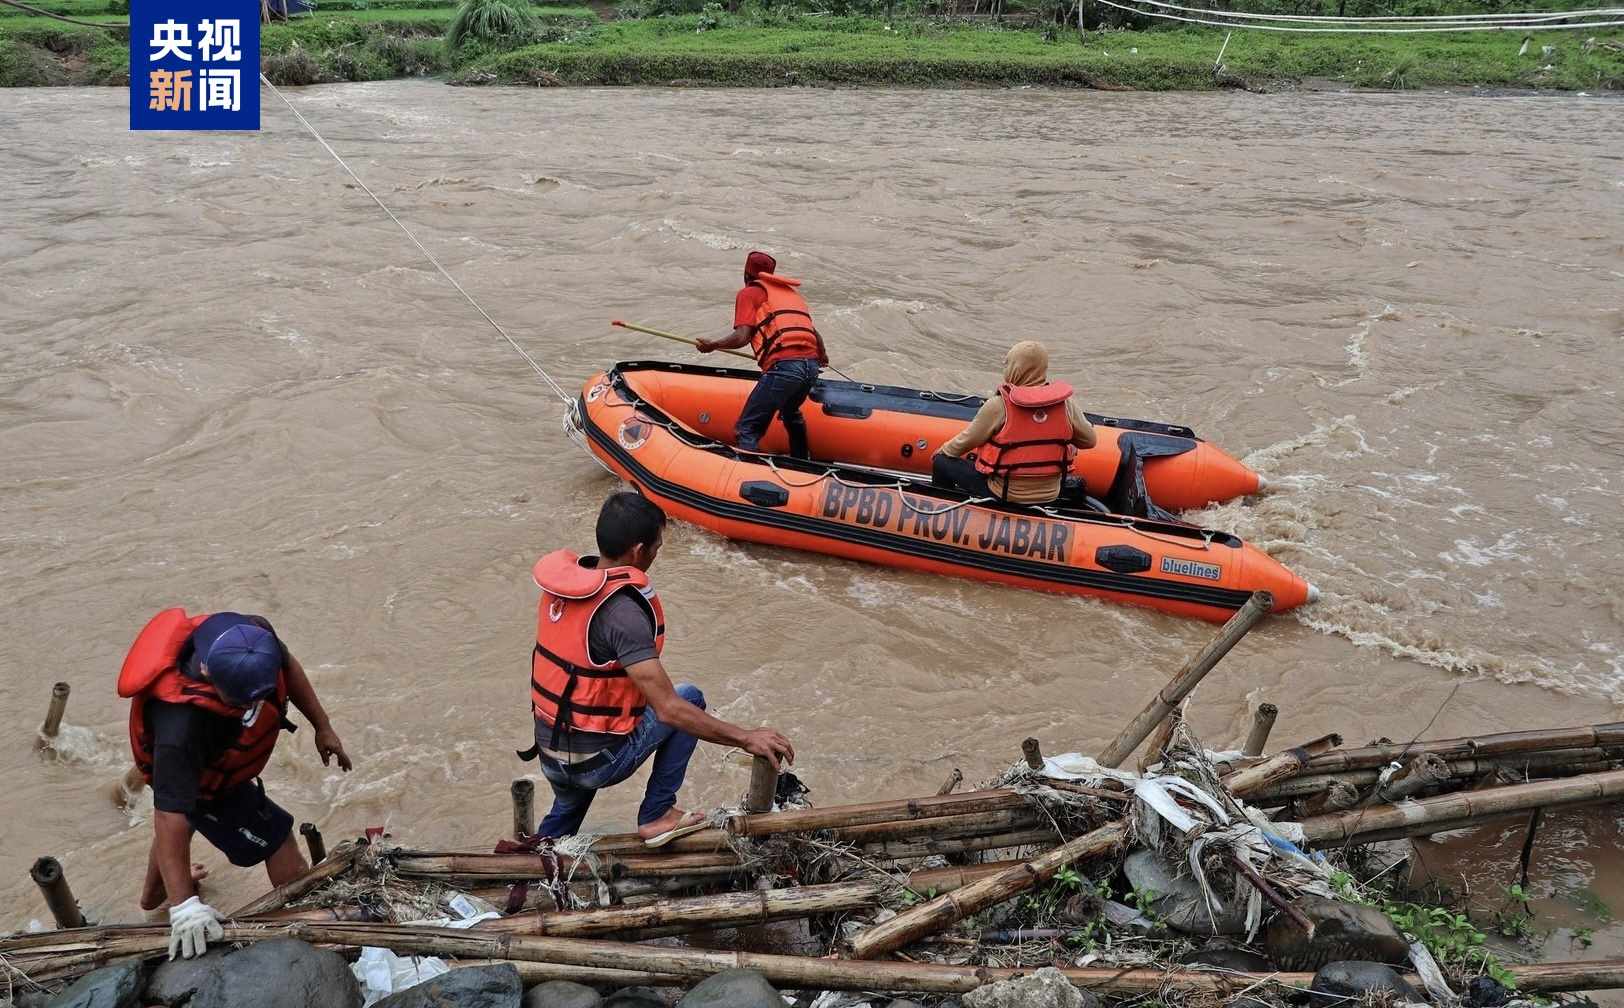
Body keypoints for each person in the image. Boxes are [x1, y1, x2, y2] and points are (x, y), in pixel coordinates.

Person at [524, 491, 795, 847]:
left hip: (551, 754)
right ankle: (657, 813)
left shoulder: (563, 592)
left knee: (575, 780)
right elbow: (669, 709)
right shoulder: (622, 612)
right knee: (689, 697)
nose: (656, 554)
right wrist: (746, 737)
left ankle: (546, 844)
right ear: (639, 551)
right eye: (656, 547)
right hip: (593, 764)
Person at [119, 610, 351, 960]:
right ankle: (307, 916)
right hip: (202, 778)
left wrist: (323, 727)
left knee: (183, 818)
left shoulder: (254, 637)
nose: (252, 706)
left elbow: (289, 667)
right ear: (207, 672)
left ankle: (154, 897)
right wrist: (185, 907)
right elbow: (169, 816)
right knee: (276, 837)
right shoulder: (182, 730)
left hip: (204, 765)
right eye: (242, 702)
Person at [695, 250, 829, 460]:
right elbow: (814, 333)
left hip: (785, 369)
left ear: (746, 273)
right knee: (791, 413)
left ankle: (749, 471)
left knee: (747, 428)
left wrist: (713, 345)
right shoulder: (789, 294)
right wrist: (822, 356)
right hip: (811, 368)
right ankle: (802, 461)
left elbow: (742, 337)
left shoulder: (749, 293)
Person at [932, 340, 1097, 505]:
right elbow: (1089, 441)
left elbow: (964, 442)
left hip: (1004, 493)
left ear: (1015, 367)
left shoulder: (998, 405)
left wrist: (942, 451)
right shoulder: (1066, 404)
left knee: (941, 461)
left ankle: (943, 508)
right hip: (1050, 494)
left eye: (1008, 364)